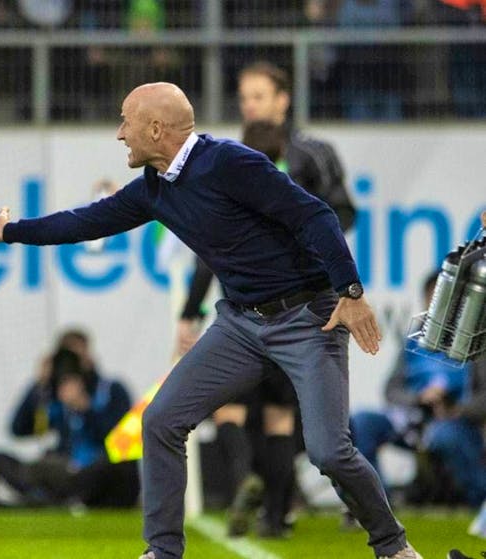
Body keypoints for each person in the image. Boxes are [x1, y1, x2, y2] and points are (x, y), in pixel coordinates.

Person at [0, 82, 421, 559]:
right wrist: (11, 232)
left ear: (156, 129)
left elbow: (317, 215)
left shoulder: (230, 163)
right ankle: (162, 552)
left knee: (329, 452)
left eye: (126, 122)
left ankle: (393, 547)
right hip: (241, 326)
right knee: (160, 420)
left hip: (307, 318)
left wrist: (350, 292)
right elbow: (86, 222)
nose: (120, 134)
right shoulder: (155, 190)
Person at [176, 61, 357, 538]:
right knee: (280, 415)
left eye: (259, 96)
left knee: (237, 409)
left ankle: (250, 484)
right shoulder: (233, 155)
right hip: (287, 304)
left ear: (283, 99)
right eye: (244, 97)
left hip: (268, 304)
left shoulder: (299, 155)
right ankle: (276, 514)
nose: (250, 105)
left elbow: (337, 215)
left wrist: (189, 312)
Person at [350, 273, 486, 508]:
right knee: (363, 422)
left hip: (453, 420)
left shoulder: (476, 343)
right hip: (413, 419)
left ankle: (477, 500)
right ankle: (378, 501)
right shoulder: (414, 340)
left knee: (447, 436)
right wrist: (417, 398)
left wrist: (457, 409)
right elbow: (392, 389)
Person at [0, 329, 139, 508]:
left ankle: (53, 498)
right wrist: (39, 385)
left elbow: (123, 440)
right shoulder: (55, 396)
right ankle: (54, 497)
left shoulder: (111, 390)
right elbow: (18, 429)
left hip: (98, 469)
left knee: (118, 465)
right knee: (0, 459)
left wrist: (85, 408)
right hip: (65, 470)